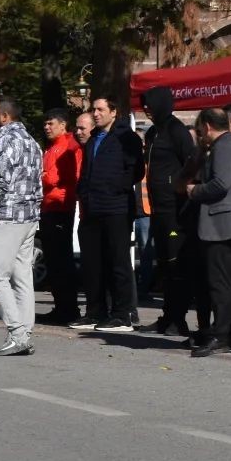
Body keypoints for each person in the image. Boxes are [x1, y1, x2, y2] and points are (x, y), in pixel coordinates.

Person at [0, 98, 44, 355]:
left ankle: (17, 333)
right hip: (29, 217)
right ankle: (24, 333)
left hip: (7, 216)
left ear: (4, 116)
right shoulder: (32, 142)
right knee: (22, 278)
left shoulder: (6, 140)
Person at [76, 95, 144, 332]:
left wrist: (114, 187)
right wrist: (83, 192)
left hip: (116, 207)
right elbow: (86, 170)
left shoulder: (127, 138)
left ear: (114, 112)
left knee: (118, 262)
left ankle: (122, 314)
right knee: (94, 263)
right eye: (93, 109)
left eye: (101, 109)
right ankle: (95, 311)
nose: (96, 114)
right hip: (92, 208)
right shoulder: (94, 138)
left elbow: (136, 170)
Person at [185, 108, 231, 357]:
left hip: (221, 224)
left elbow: (220, 184)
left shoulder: (224, 146)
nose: (200, 136)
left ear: (207, 126)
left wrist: (194, 191)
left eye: (199, 130)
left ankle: (221, 334)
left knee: (220, 284)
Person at [141, 87, 196, 336]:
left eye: (150, 104)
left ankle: (178, 319)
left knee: (176, 265)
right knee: (163, 264)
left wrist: (180, 187)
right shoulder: (153, 133)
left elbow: (191, 162)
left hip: (175, 209)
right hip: (157, 209)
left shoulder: (176, 130)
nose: (146, 109)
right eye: (144, 105)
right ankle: (167, 316)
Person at [37, 108, 83, 324]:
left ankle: (68, 308)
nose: (47, 127)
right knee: (54, 260)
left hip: (60, 207)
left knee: (61, 260)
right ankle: (61, 306)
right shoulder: (52, 147)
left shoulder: (68, 146)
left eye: (51, 123)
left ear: (63, 125)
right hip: (49, 206)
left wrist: (44, 177)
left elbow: (54, 178)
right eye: (45, 123)